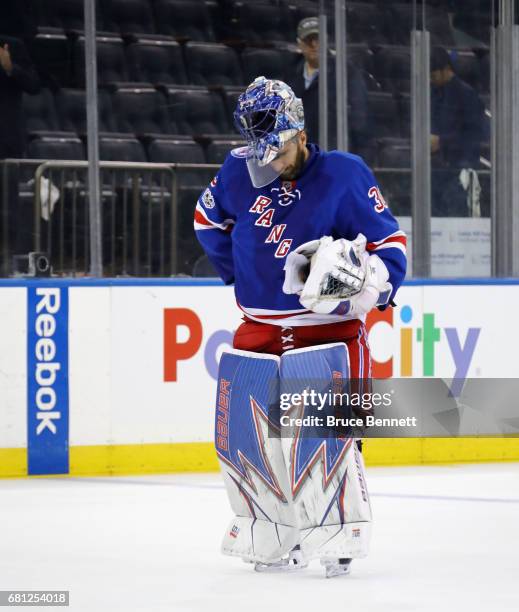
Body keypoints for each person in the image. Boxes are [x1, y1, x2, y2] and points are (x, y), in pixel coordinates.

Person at [194, 77, 406, 577]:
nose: (268, 161)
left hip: (326, 330)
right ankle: (267, 531)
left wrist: (364, 283)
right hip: (258, 327)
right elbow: (208, 220)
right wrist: (239, 272)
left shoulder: (344, 174)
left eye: (278, 150)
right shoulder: (237, 170)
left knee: (324, 432)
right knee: (244, 434)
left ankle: (337, 531)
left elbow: (391, 246)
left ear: (300, 132)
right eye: (259, 151)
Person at [284, 16, 369, 154]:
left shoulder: (345, 71)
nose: (314, 45)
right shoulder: (292, 72)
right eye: (308, 40)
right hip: (300, 156)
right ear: (300, 44)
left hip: (332, 152)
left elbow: (359, 117)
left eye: (318, 40)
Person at [430, 46, 486, 216]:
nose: (431, 79)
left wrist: (441, 142)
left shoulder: (467, 95)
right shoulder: (432, 93)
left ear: (447, 70)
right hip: (437, 167)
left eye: (433, 75)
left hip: (460, 167)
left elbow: (475, 136)